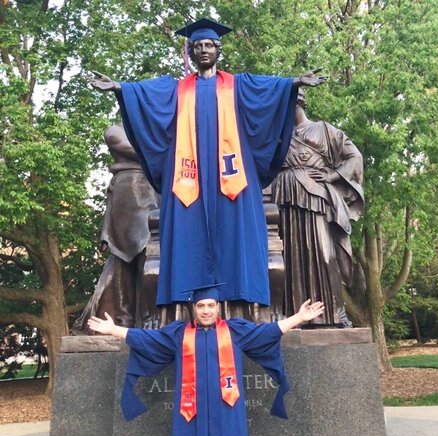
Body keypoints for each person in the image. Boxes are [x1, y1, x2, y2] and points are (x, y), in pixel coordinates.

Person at [89, 18, 327, 309]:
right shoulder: (177, 90)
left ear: (218, 50)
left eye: (209, 45)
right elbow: (145, 97)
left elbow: (268, 91)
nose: (203, 50)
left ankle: (240, 290)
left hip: (232, 174)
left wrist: (295, 82)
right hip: (189, 177)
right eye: (197, 46)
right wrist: (119, 88)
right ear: (190, 53)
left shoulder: (237, 86)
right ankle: (187, 291)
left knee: (234, 228)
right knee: (189, 226)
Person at [87, 284, 324, 436]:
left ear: (218, 307)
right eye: (201, 306)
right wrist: (114, 329)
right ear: (193, 308)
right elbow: (147, 339)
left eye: (211, 305)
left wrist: (299, 317)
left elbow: (269, 332)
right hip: (191, 412)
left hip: (227, 410)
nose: (206, 310)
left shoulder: (234, 331)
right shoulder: (179, 334)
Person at [272, 90, 364, 326]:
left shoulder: (324, 129)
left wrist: (334, 176)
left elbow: (354, 156)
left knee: (323, 253)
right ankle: (295, 315)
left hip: (315, 197)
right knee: (290, 256)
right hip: (285, 197)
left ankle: (333, 311)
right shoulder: (277, 137)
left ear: (298, 102)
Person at [72, 124, 159, 333]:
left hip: (158, 193)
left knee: (152, 255)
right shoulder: (116, 130)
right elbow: (147, 153)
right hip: (131, 193)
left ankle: (151, 317)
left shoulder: (157, 128)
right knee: (127, 256)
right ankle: (125, 320)